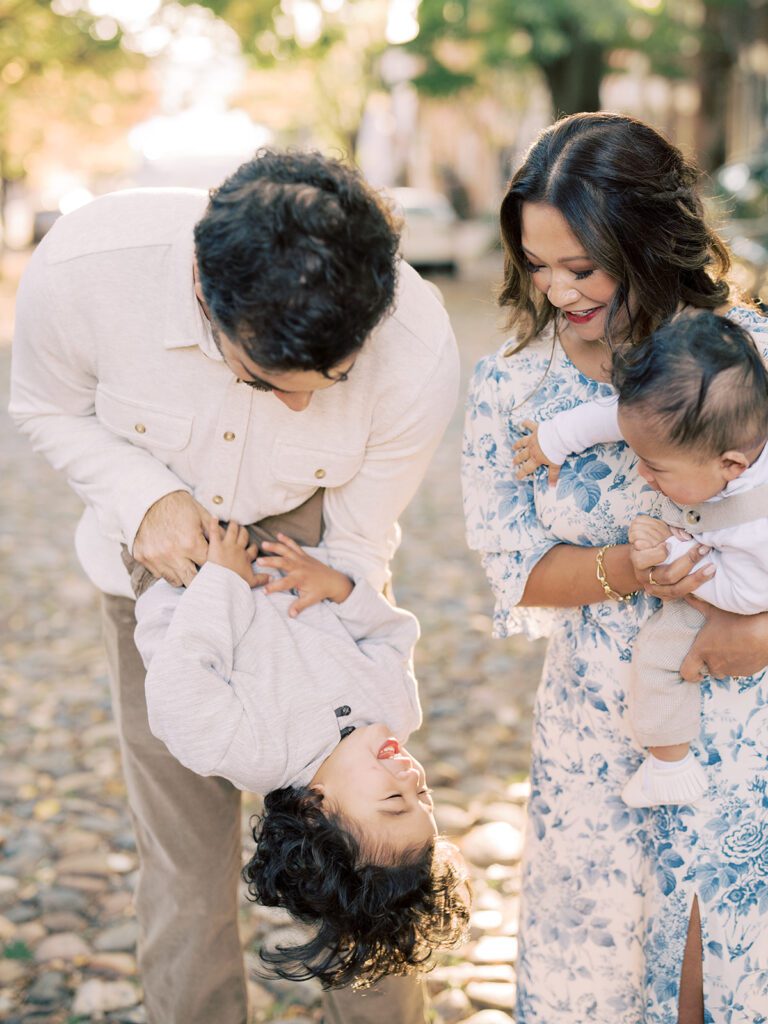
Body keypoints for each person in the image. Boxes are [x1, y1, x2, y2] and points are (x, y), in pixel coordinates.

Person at [10, 150, 459, 1024]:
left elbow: (362, 548)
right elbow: (43, 407)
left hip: (307, 560)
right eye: (261, 381)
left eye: (325, 385)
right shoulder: (85, 270)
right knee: (184, 860)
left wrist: (335, 585)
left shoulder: (418, 349)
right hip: (165, 586)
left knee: (368, 862)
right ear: (199, 283)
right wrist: (145, 501)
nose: (295, 408)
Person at [461, 112, 768, 1023]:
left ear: (646, 243)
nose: (557, 289)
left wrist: (756, 626)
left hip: (749, 723)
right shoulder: (510, 389)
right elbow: (514, 566)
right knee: (606, 976)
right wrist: (635, 571)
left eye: (581, 267)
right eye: (536, 264)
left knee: (721, 976)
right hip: (603, 733)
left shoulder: (749, 349)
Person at [132, 517, 468, 990]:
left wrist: (222, 580)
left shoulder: (253, 753)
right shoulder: (396, 712)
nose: (411, 778)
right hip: (292, 550)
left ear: (314, 809)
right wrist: (341, 589)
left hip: (185, 571)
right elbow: (391, 636)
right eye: (424, 795)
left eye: (395, 801)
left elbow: (176, 686)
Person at [512, 311, 768, 808]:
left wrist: (674, 550)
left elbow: (748, 594)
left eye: (655, 467)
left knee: (659, 655)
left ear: (731, 465)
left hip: (733, 597)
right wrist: (553, 439)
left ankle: (668, 765)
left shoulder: (756, 526)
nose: (643, 474)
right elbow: (616, 416)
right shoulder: (697, 416)